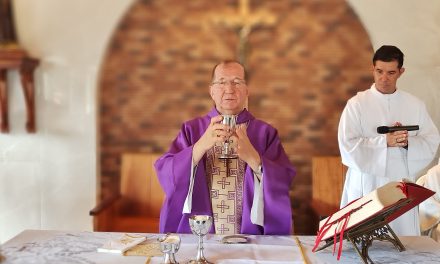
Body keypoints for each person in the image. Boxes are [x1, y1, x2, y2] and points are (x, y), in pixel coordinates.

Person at [155, 60, 295, 235]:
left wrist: (254, 158)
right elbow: (166, 172)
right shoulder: (192, 129)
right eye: (221, 82)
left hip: (250, 234)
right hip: (200, 232)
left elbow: (283, 180)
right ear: (211, 91)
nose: (229, 89)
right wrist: (200, 146)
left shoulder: (265, 132)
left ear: (247, 91)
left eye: (237, 82)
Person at [338, 45, 440, 235]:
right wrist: (385, 142)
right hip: (366, 180)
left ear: (401, 72)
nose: (384, 78)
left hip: (397, 179)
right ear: (373, 69)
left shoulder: (414, 105)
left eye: (391, 72)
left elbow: (431, 140)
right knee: (363, 238)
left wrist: (408, 142)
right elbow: (347, 145)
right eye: (379, 71)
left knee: (400, 240)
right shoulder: (357, 105)